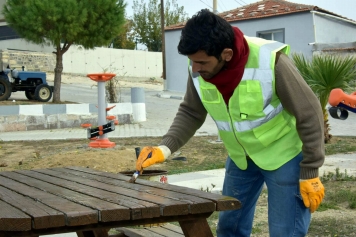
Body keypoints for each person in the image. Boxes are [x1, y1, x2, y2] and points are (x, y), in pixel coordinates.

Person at [136, 9, 325, 236]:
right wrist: (164, 148)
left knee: (286, 232)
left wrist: (310, 171)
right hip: (241, 159)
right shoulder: (198, 67)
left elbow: (310, 112)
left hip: (283, 156)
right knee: (229, 227)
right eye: (192, 61)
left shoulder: (270, 62)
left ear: (226, 54)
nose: (195, 68)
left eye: (201, 62)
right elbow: (191, 112)